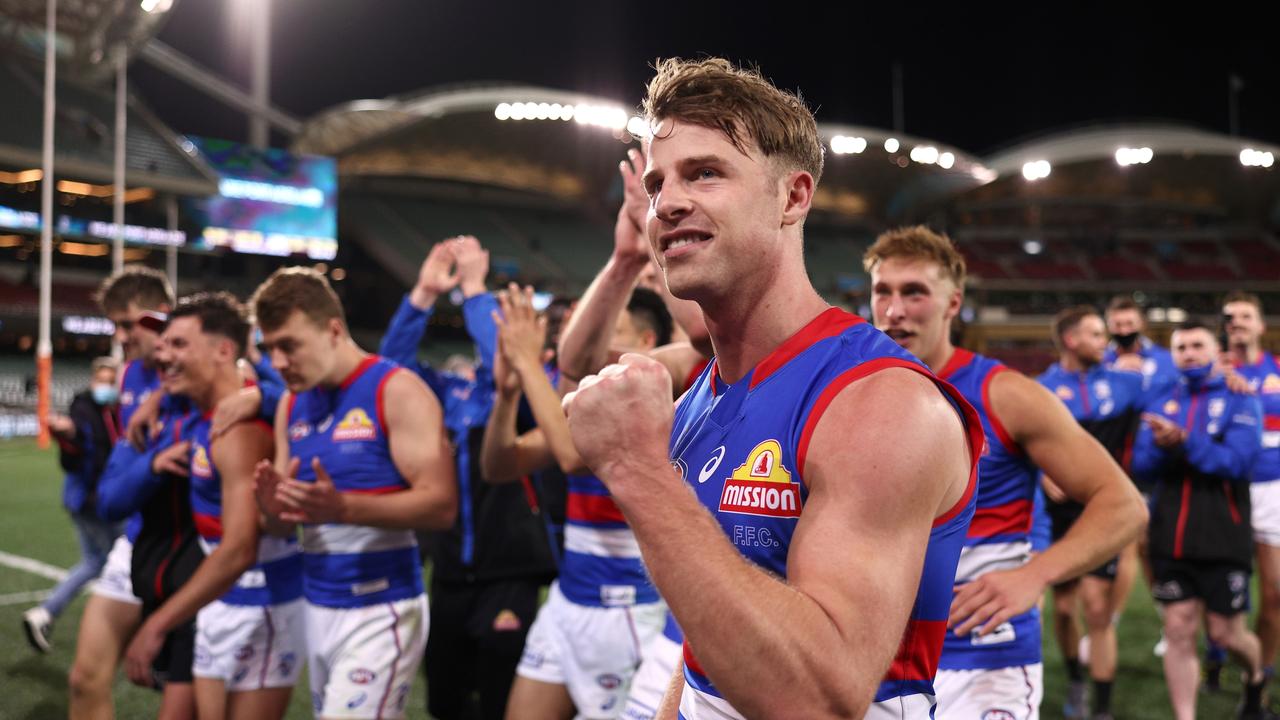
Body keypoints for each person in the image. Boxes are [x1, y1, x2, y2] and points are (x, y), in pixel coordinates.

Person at [560, 57, 985, 719]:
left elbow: (819, 699)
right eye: (656, 182)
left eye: (705, 172)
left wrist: (633, 468)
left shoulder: (881, 402)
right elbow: (705, 644)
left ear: (792, 197)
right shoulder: (703, 397)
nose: (666, 202)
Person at [864, 226, 1147, 720]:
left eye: (914, 292)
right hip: (876, 655)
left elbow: (1123, 505)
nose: (894, 311)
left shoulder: (1005, 394)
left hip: (984, 656)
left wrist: (1036, 574)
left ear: (953, 304)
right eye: (882, 292)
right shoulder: (852, 392)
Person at [250, 267, 457, 720]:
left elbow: (441, 505)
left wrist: (343, 507)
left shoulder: (396, 389)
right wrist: (272, 512)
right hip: (318, 604)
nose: (278, 362)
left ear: (333, 330)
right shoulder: (291, 402)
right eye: (269, 349)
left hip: (382, 608)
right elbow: (283, 521)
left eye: (289, 345)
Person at [379, 236, 557, 720]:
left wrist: (476, 289)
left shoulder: (528, 396)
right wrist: (422, 294)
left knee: (501, 696)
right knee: (445, 697)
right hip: (450, 575)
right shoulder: (446, 395)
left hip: (509, 574)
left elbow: (509, 368)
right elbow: (389, 370)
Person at [482, 283, 671, 720]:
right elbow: (500, 465)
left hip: (625, 613)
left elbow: (570, 455)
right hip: (567, 603)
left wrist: (528, 362)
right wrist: (508, 393)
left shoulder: (655, 402)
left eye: (609, 329)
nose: (590, 339)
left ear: (646, 343)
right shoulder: (582, 403)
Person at [119, 293, 303, 720]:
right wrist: (154, 399)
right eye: (164, 345)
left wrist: (156, 624)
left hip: (261, 602)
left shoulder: (238, 429)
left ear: (224, 351)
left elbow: (240, 549)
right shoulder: (207, 412)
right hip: (225, 598)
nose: (165, 355)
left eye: (179, 345)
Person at [1132, 319, 1268, 720]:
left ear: (1216, 350)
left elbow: (1239, 463)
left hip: (1225, 534)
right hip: (1170, 535)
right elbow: (1141, 467)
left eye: (1197, 345)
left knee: (1226, 634)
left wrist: (1186, 441)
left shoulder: (1242, 398)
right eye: (1181, 347)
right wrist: (1161, 447)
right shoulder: (1160, 398)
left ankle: (1256, 676)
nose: (1189, 353)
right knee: (1178, 630)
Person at [67, 265, 177, 720]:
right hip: (135, 540)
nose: (122, 336)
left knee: (185, 700)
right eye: (116, 325)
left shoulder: (213, 373)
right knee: (84, 679)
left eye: (130, 324)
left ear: (164, 316)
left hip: (195, 551)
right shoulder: (130, 377)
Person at [1037, 306, 1148, 719]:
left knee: (1097, 609)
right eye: (1097, 334)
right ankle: (1076, 680)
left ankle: (1101, 707)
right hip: (1060, 514)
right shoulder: (1041, 389)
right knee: (1064, 610)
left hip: (1102, 508)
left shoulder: (1127, 383)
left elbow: (1174, 391)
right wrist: (1041, 475)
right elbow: (1019, 445)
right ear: (1071, 340)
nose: (1106, 342)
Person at [23, 356, 121, 652]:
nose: (106, 386)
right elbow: (76, 450)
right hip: (92, 502)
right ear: (93, 380)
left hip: (92, 500)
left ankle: (45, 613)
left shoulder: (110, 410)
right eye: (102, 380)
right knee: (119, 558)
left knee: (97, 560)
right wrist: (68, 436)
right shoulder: (84, 410)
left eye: (111, 381)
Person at [1223, 291, 1280, 678]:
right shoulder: (1207, 371)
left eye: (1247, 316)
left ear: (1260, 325)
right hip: (1223, 493)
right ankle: (1215, 654)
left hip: (1272, 492)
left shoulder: (1278, 370)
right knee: (1221, 597)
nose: (1239, 322)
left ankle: (1257, 678)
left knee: (1274, 595)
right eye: (1231, 317)